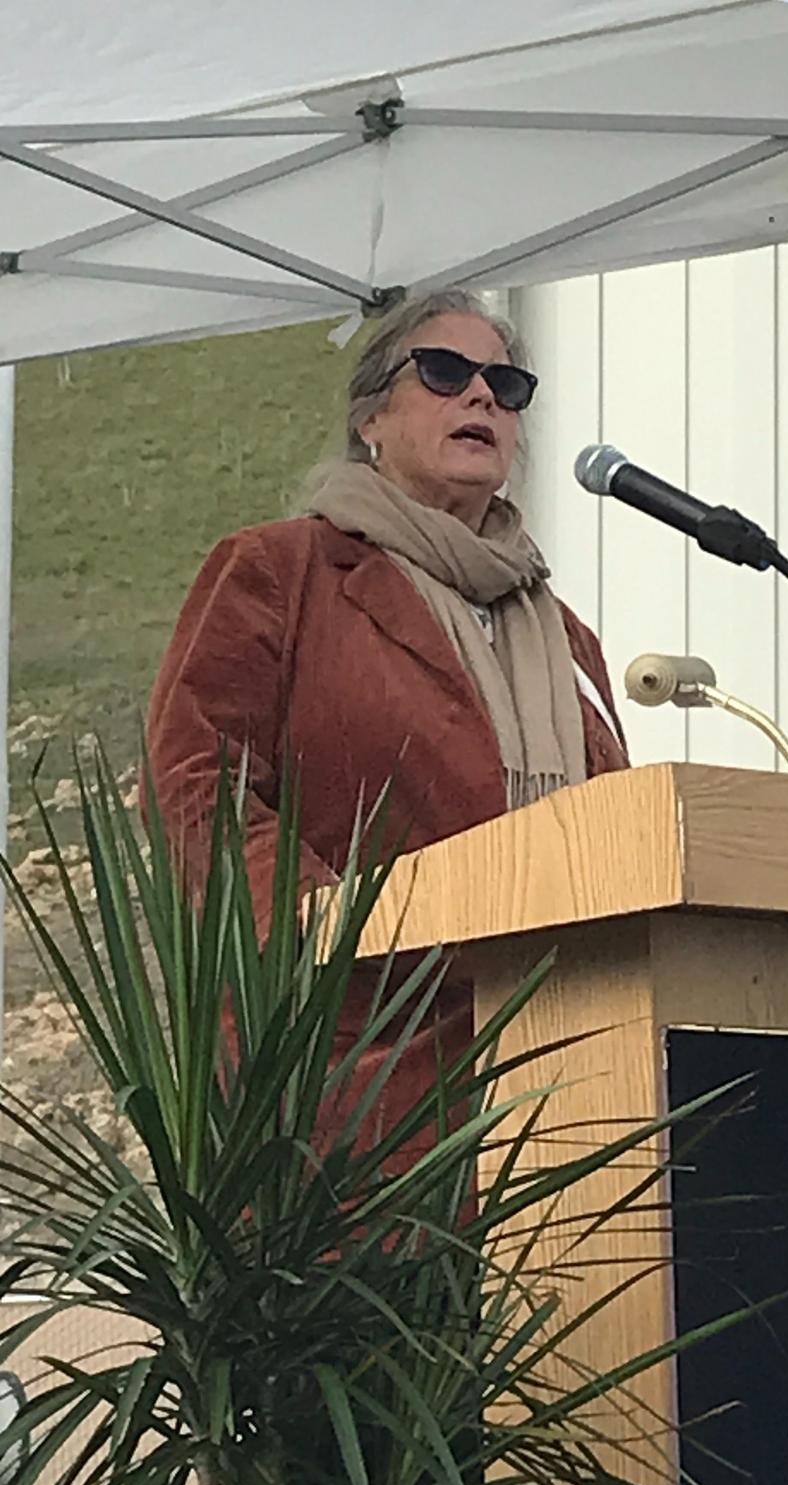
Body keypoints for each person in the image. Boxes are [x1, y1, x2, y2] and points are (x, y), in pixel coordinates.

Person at [146, 288, 628, 1158]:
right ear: (371, 415)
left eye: (506, 384)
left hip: (564, 1089)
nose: (481, 396)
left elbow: (617, 831)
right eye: (445, 372)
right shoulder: (283, 573)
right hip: (354, 1083)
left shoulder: (563, 638)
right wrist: (317, 924)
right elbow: (192, 781)